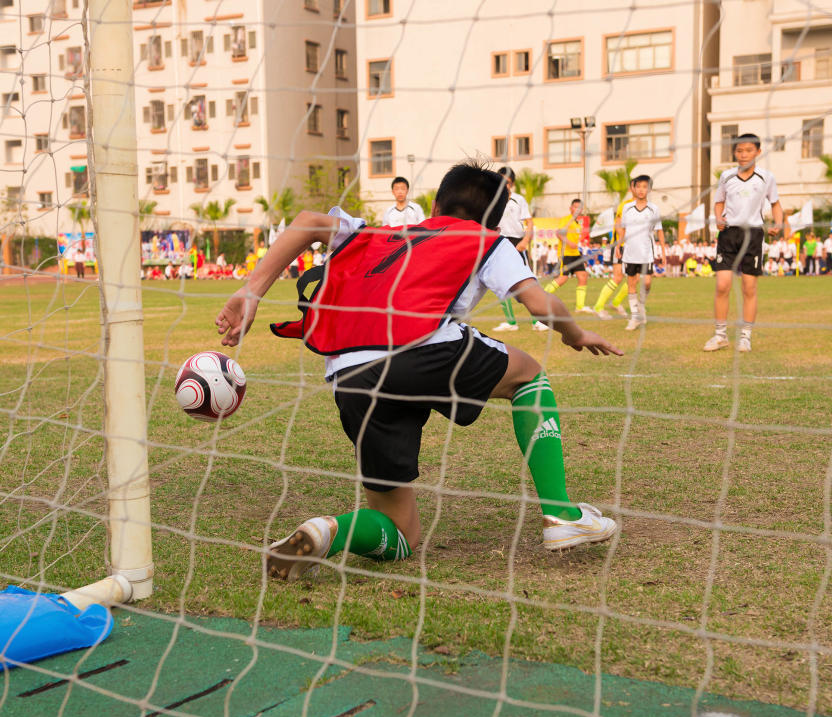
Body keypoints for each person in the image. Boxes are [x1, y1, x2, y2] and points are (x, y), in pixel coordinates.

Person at [214, 162, 621, 580]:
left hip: (349, 372)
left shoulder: (379, 232)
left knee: (401, 533)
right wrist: (576, 335)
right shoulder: (486, 240)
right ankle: (560, 514)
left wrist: (251, 291)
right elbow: (540, 304)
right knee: (529, 375)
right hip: (422, 351)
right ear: (494, 221)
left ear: (434, 204)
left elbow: (308, 222)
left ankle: (327, 531)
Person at [704, 134, 782, 353]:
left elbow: (775, 204)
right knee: (722, 285)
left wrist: (778, 223)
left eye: (748, 150)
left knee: (749, 287)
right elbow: (719, 203)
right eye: (739, 151)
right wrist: (718, 218)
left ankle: (745, 336)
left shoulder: (767, 177)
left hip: (753, 235)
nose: (743, 155)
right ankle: (720, 336)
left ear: (758, 152)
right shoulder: (726, 176)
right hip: (729, 234)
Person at [609, 175, 665, 331]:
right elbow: (623, 230)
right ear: (634, 188)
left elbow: (659, 231)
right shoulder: (627, 207)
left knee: (647, 282)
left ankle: (641, 306)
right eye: (638, 186)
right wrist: (619, 246)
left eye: (644, 187)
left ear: (649, 189)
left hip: (646, 252)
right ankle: (634, 317)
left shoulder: (654, 208)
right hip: (630, 252)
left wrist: (663, 251)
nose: (641, 190)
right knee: (631, 283)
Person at [492, 166, 535, 333]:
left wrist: (525, 240)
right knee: (501, 283)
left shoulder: (519, 200)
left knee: (528, 282)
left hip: (518, 242)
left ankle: (537, 321)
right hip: (499, 243)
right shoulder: (492, 200)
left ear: (513, 184)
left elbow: (529, 222)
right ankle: (511, 323)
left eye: (508, 183)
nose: (505, 186)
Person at [543, 199, 593, 313]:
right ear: (571, 208)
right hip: (565, 254)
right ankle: (541, 299)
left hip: (575, 255)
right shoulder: (566, 219)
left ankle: (580, 307)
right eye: (575, 207)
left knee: (583, 276)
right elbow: (559, 233)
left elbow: (575, 241)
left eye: (580, 208)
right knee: (563, 278)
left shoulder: (578, 223)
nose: (577, 210)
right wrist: (569, 243)